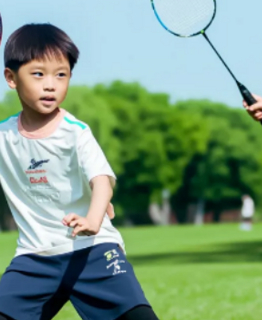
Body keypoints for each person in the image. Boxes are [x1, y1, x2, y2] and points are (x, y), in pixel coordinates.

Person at [0, 23, 159, 320]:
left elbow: (102, 180)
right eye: (38, 74)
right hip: (34, 258)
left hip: (94, 250)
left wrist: (93, 218)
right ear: (11, 77)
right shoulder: (4, 136)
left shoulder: (76, 132)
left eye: (61, 75)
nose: (51, 84)